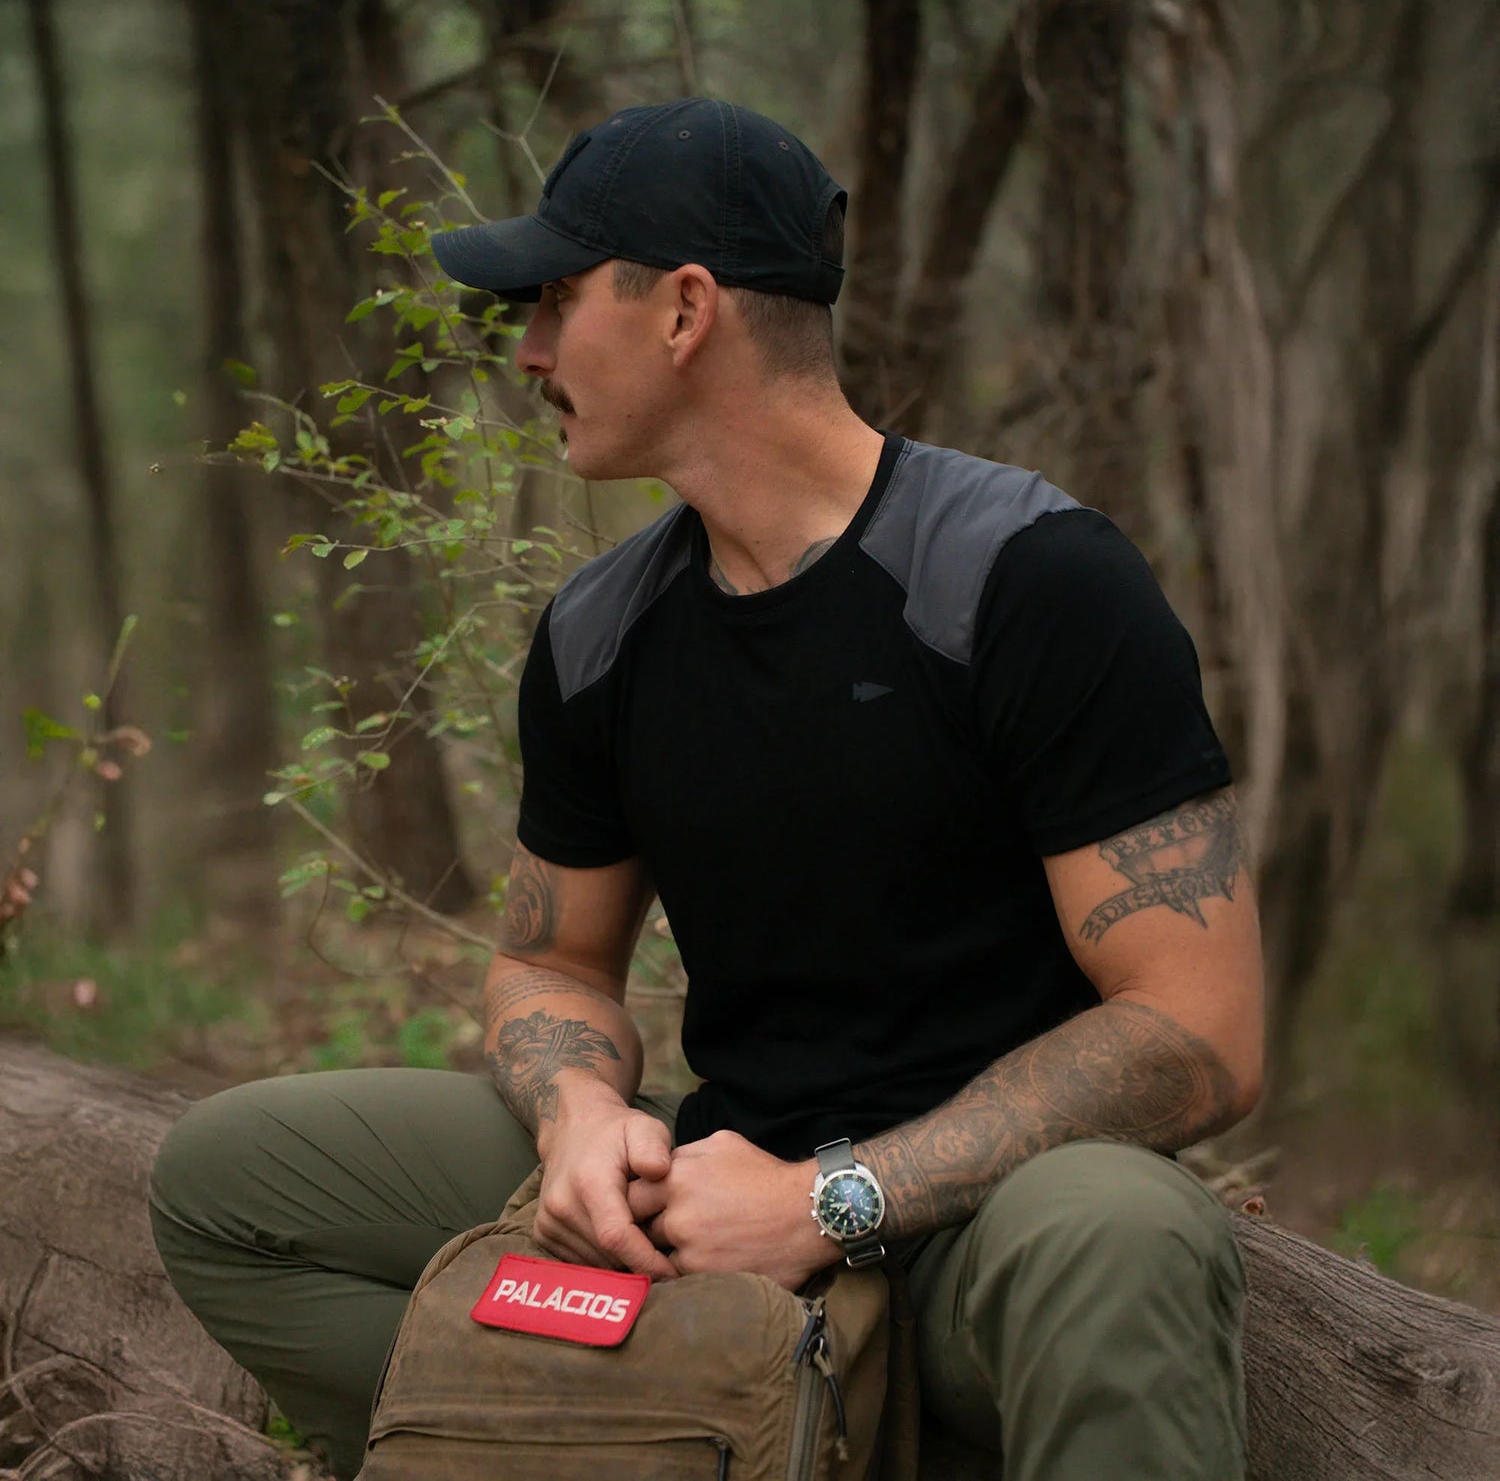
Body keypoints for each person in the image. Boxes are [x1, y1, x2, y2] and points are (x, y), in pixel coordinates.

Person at [151, 99, 1263, 1481]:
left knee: (1129, 1233)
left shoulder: (1032, 581)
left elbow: (1201, 1030)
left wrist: (829, 1203)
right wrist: (580, 1120)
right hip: (710, 1198)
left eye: (556, 299)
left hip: (991, 1229)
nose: (531, 351)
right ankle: (645, 1440)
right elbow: (551, 961)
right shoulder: (601, 635)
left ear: (685, 311)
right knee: (232, 1180)